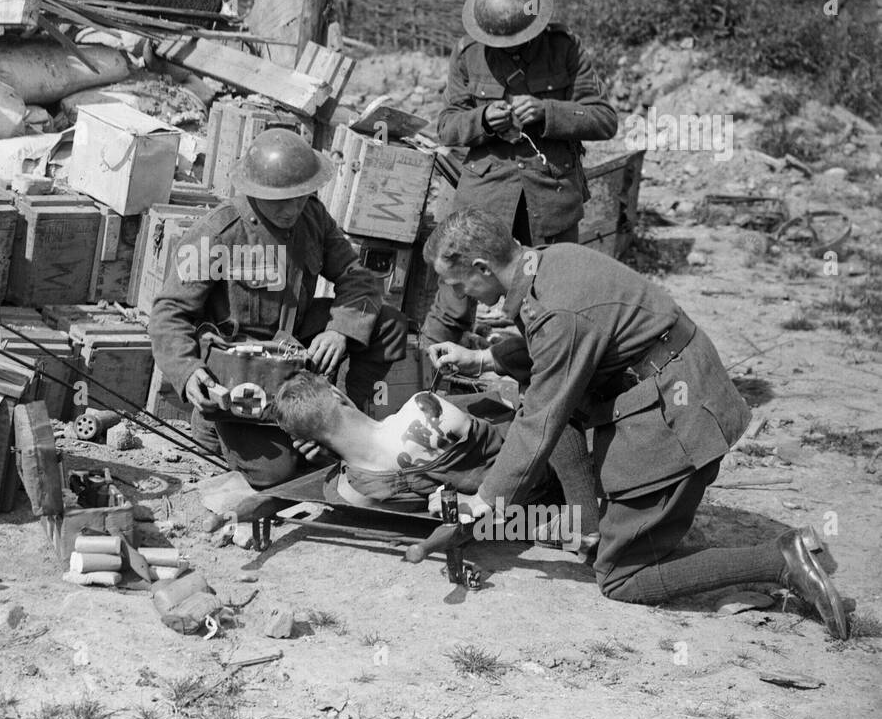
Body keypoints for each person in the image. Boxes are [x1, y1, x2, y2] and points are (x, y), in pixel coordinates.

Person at [423, 208, 850, 640]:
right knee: (544, 399)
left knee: (621, 579)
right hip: (672, 381)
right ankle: (588, 529)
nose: (465, 296)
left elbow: (542, 413)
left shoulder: (557, 311)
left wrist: (485, 500)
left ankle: (780, 560)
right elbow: (559, 350)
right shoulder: (549, 262)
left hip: (680, 417)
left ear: (482, 267)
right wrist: (483, 359)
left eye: (461, 286)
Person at [149, 127, 408, 489]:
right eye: (281, 200)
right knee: (276, 475)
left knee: (388, 323)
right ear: (254, 191)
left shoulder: (312, 217)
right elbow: (169, 313)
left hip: (295, 348)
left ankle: (347, 418)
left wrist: (339, 329)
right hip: (241, 372)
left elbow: (357, 278)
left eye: (301, 197)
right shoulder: (217, 233)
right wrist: (188, 371)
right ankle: (213, 428)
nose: (292, 209)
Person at [423, 0, 618, 352]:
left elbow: (603, 118)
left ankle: (548, 388)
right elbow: (446, 127)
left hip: (549, 197)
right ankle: (427, 377)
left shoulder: (565, 48)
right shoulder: (468, 53)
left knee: (555, 302)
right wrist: (482, 121)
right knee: (454, 297)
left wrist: (548, 111)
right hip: (485, 198)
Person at [272, 370, 596, 552]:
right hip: (548, 472)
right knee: (551, 409)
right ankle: (589, 521)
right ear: (336, 394)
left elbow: (407, 501)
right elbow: (507, 425)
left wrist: (332, 457)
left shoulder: (349, 488)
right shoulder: (422, 406)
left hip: (513, 519)